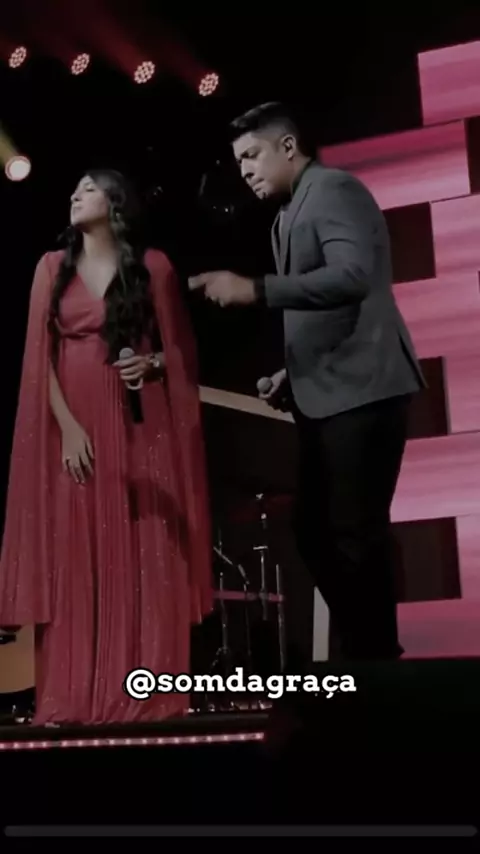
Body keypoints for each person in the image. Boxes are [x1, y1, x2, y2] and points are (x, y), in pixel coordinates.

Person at [189, 102, 426, 660]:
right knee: (316, 531)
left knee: (353, 532)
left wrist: (256, 289)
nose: (245, 171)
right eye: (239, 162)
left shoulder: (334, 190)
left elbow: (352, 276)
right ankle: (370, 654)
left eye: (252, 156)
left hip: (366, 389)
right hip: (330, 392)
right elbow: (327, 312)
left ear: (288, 146)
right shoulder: (288, 214)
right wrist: (290, 374)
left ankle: (376, 661)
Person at [0, 169, 212, 724]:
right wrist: (68, 427)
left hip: (138, 427)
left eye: (89, 188)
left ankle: (142, 689)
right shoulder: (51, 267)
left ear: (116, 201)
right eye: (74, 188)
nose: (75, 194)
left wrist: (155, 363)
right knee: (74, 553)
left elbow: (180, 351)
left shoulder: (154, 266)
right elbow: (38, 359)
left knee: (144, 552)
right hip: (73, 427)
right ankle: (71, 695)